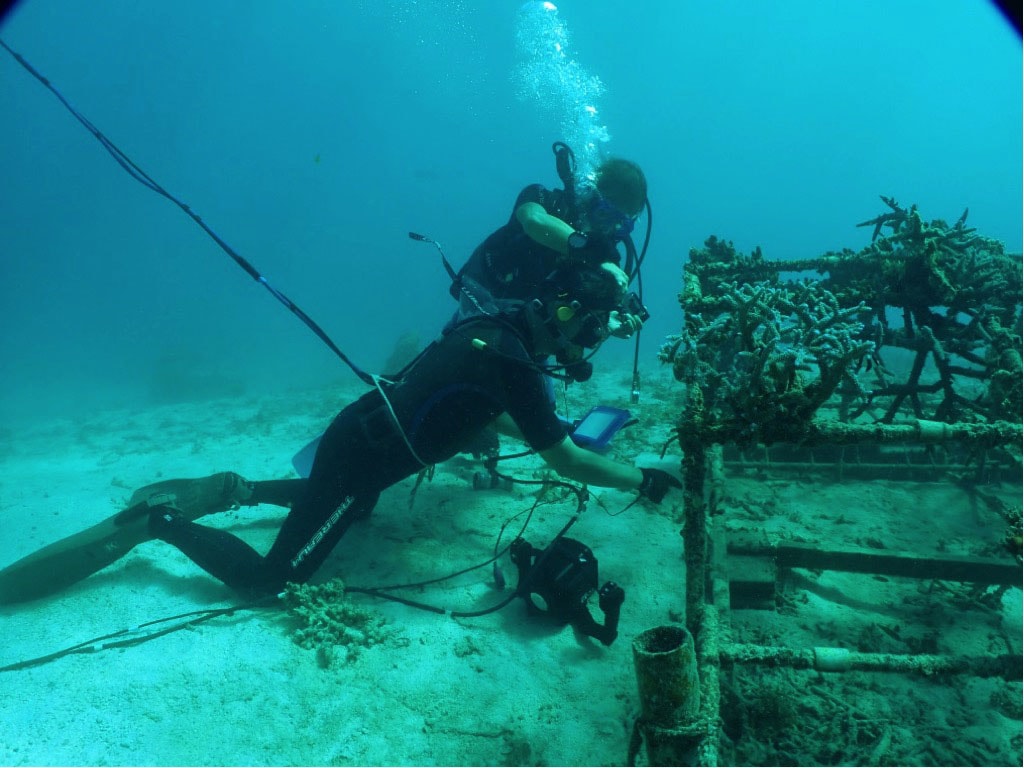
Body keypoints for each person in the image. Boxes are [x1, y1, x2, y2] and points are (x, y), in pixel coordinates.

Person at [0, 263, 680, 603]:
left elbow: (484, 409)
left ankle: (240, 490)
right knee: (271, 584)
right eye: (590, 331)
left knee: (349, 506)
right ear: (565, 312)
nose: (584, 348)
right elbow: (564, 460)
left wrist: (551, 432)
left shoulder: (493, 329)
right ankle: (160, 522)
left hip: (360, 438)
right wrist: (641, 479)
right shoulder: (515, 362)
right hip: (360, 459)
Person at [451, 150, 649, 344]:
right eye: (604, 214)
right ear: (589, 195)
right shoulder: (542, 198)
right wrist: (595, 256)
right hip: (480, 300)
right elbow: (534, 221)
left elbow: (572, 317)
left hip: (527, 331)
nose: (607, 229)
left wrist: (604, 323)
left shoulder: (603, 257)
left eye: (620, 224)